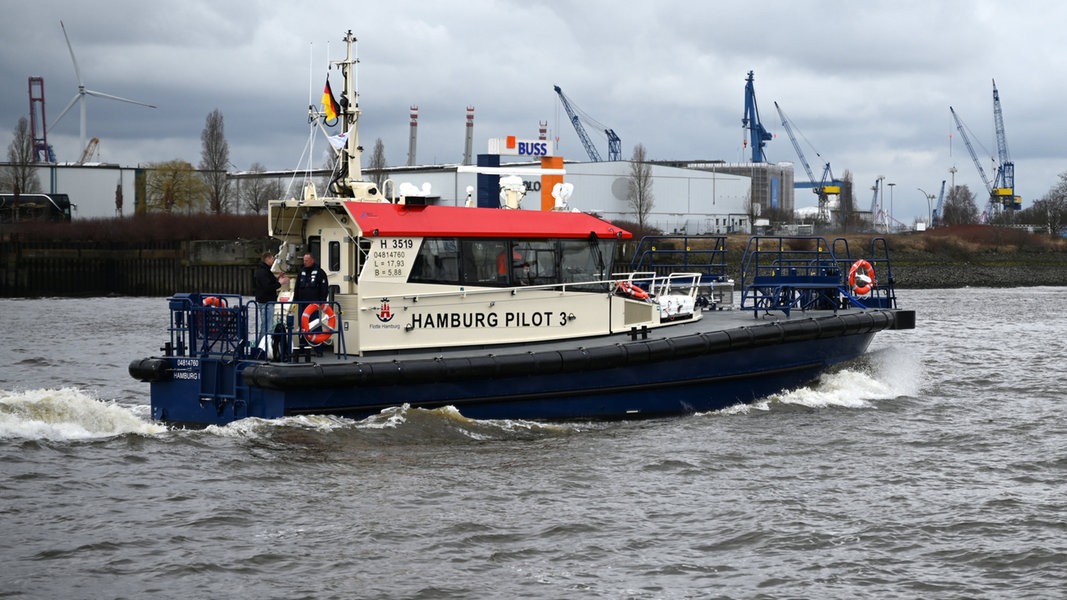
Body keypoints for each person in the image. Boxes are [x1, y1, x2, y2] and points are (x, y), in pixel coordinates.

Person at [293, 253, 330, 354]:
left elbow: (324, 288)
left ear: (312, 260)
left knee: (316, 325)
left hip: (314, 305)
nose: (305, 262)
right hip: (302, 303)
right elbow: (297, 287)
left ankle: (318, 349)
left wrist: (321, 302)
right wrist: (295, 301)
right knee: (303, 326)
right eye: (304, 260)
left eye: (307, 260)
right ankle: (302, 347)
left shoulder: (320, 272)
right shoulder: (302, 272)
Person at [253, 251, 288, 356]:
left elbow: (269, 283)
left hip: (266, 301)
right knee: (266, 327)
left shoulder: (264, 271)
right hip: (266, 302)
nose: (273, 260)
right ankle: (262, 350)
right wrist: (280, 283)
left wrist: (277, 278)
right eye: (272, 258)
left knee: (266, 325)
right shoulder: (263, 272)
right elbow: (268, 287)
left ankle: (262, 348)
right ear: (267, 259)